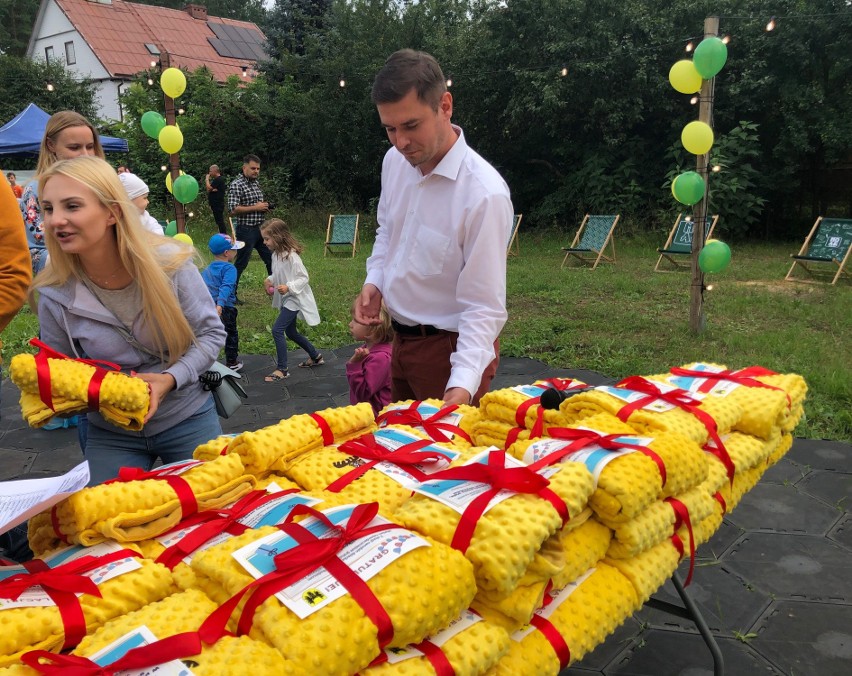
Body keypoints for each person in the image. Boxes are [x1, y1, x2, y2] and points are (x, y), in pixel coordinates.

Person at [32, 156, 225, 485]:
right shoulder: (53, 292)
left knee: (213, 516)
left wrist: (170, 379)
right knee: (106, 526)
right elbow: (62, 371)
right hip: (111, 432)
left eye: (72, 206)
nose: (55, 221)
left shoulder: (170, 265)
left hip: (186, 414)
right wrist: (62, 395)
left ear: (112, 212)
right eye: (49, 209)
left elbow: (210, 334)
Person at [354, 49, 512, 406]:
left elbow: (484, 307)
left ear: (445, 105)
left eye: (411, 126)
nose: (400, 142)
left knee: (441, 459)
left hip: (450, 352)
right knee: (396, 450)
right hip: (399, 342)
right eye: (390, 129)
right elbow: (387, 231)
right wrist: (374, 281)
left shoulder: (483, 195)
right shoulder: (395, 161)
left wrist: (462, 384)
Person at [21, 111, 105, 276]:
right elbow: (37, 246)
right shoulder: (36, 189)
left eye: (90, 146)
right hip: (65, 278)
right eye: (74, 147)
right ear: (51, 145)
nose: (85, 155)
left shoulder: (101, 183)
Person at [260, 218, 323, 382]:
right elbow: (279, 274)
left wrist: (288, 287)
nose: (264, 242)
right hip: (287, 298)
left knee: (277, 330)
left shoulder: (291, 257)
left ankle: (282, 369)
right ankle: (315, 356)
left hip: (294, 298)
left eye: (267, 239)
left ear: (278, 237)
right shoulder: (276, 255)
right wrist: (270, 280)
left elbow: (303, 277)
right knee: (291, 331)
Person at [228, 154, 272, 300]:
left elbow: (256, 205)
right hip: (246, 230)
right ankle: (230, 295)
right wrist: (256, 207)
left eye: (258, 169)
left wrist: (264, 207)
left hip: (261, 229)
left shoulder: (255, 183)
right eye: (253, 168)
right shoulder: (237, 184)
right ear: (244, 167)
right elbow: (233, 210)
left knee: (272, 259)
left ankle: (275, 291)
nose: (256, 171)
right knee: (241, 263)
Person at [201, 233, 245, 371]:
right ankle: (232, 363)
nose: (236, 251)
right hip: (225, 308)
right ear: (227, 253)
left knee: (209, 335)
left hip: (208, 307)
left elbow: (203, 288)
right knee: (230, 334)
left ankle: (204, 362)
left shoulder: (207, 269)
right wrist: (220, 304)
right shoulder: (230, 269)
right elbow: (226, 286)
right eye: (234, 249)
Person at [346, 299, 393, 416]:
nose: (350, 324)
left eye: (356, 321)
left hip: (377, 419)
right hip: (367, 415)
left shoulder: (381, 358)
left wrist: (354, 366)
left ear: (373, 327)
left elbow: (363, 393)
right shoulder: (368, 350)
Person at [205, 164, 228, 235]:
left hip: (217, 204)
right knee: (218, 221)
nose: (209, 173)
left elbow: (208, 188)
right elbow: (209, 189)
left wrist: (207, 179)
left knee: (220, 221)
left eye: (210, 171)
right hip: (215, 204)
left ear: (215, 171)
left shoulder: (218, 179)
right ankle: (222, 234)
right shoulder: (216, 180)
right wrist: (211, 189)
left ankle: (224, 235)